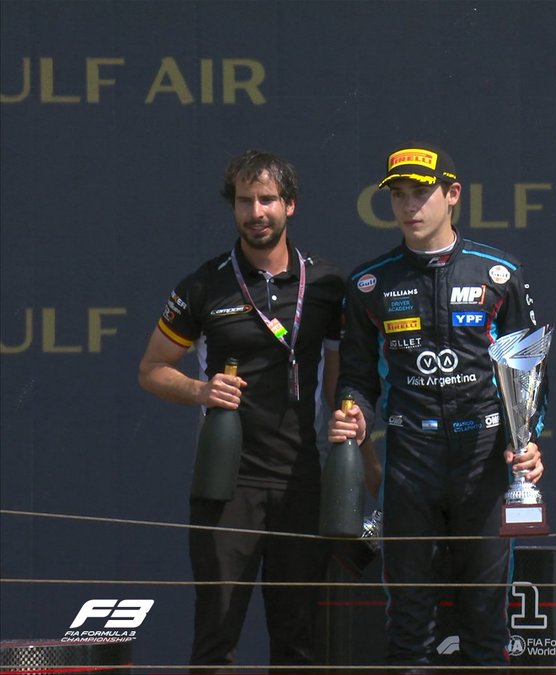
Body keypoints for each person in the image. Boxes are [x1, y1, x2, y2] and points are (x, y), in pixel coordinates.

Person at [137, 149, 377, 668]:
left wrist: (359, 438)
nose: (256, 212)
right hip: (228, 482)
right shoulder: (203, 284)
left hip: (302, 479)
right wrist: (200, 391)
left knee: (299, 641)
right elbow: (152, 369)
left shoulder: (327, 284)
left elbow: (340, 381)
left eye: (267, 199)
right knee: (216, 637)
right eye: (245, 201)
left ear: (290, 205)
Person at [329, 143, 546, 671]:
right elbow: (357, 377)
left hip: (484, 457)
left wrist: (528, 438)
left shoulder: (498, 273)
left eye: (421, 193)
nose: (409, 206)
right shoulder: (370, 283)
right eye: (399, 195)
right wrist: (353, 411)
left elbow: (529, 371)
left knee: (485, 619)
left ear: (452, 195)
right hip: (411, 458)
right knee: (409, 621)